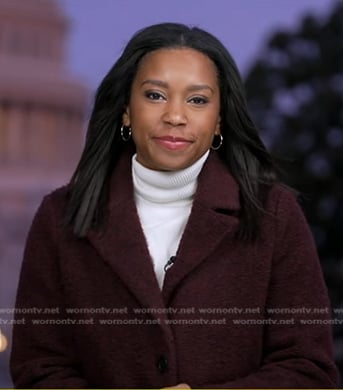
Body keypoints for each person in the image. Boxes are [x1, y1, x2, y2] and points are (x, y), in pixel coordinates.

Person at [10, 22, 339, 389]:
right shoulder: (61, 218)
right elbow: (38, 369)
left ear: (219, 121)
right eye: (155, 95)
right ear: (126, 111)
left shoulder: (272, 215)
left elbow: (308, 369)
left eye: (197, 100)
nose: (175, 116)